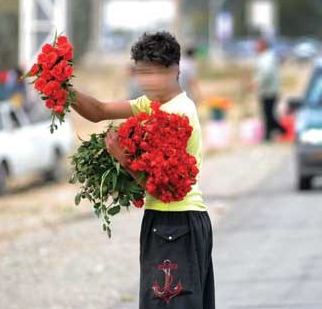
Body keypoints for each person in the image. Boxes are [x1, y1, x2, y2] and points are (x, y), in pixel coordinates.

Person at [70, 31, 214, 309]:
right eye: (141, 72)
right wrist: (62, 88)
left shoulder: (177, 112)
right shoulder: (152, 104)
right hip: (169, 221)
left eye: (153, 72)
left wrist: (124, 160)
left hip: (175, 221)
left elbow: (168, 190)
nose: (145, 80)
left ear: (174, 70)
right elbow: (99, 110)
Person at [253, 38, 286, 141]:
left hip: (269, 91)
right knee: (268, 114)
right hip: (267, 90)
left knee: (269, 115)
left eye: (258, 45)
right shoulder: (266, 57)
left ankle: (283, 130)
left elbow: (266, 74)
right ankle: (268, 135)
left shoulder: (266, 58)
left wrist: (257, 83)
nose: (255, 47)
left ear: (263, 46)